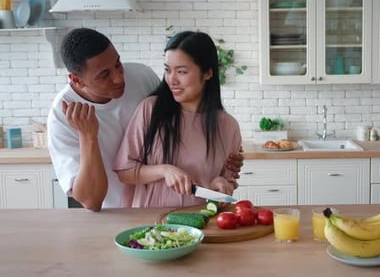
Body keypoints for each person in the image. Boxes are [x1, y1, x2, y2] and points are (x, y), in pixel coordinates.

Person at [47, 28, 243, 212]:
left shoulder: (141, 77)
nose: (118, 78)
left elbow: (220, 169)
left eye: (118, 64)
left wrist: (224, 177)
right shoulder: (62, 116)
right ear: (76, 80)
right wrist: (88, 135)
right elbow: (92, 199)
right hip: (121, 211)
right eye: (104, 75)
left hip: (195, 215)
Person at [113, 31, 241, 208]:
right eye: (167, 70)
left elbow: (227, 179)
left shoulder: (228, 126)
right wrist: (164, 170)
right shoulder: (150, 109)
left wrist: (220, 184)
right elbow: (124, 171)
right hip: (152, 224)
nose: (171, 80)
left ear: (207, 73)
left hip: (201, 222)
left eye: (181, 71)